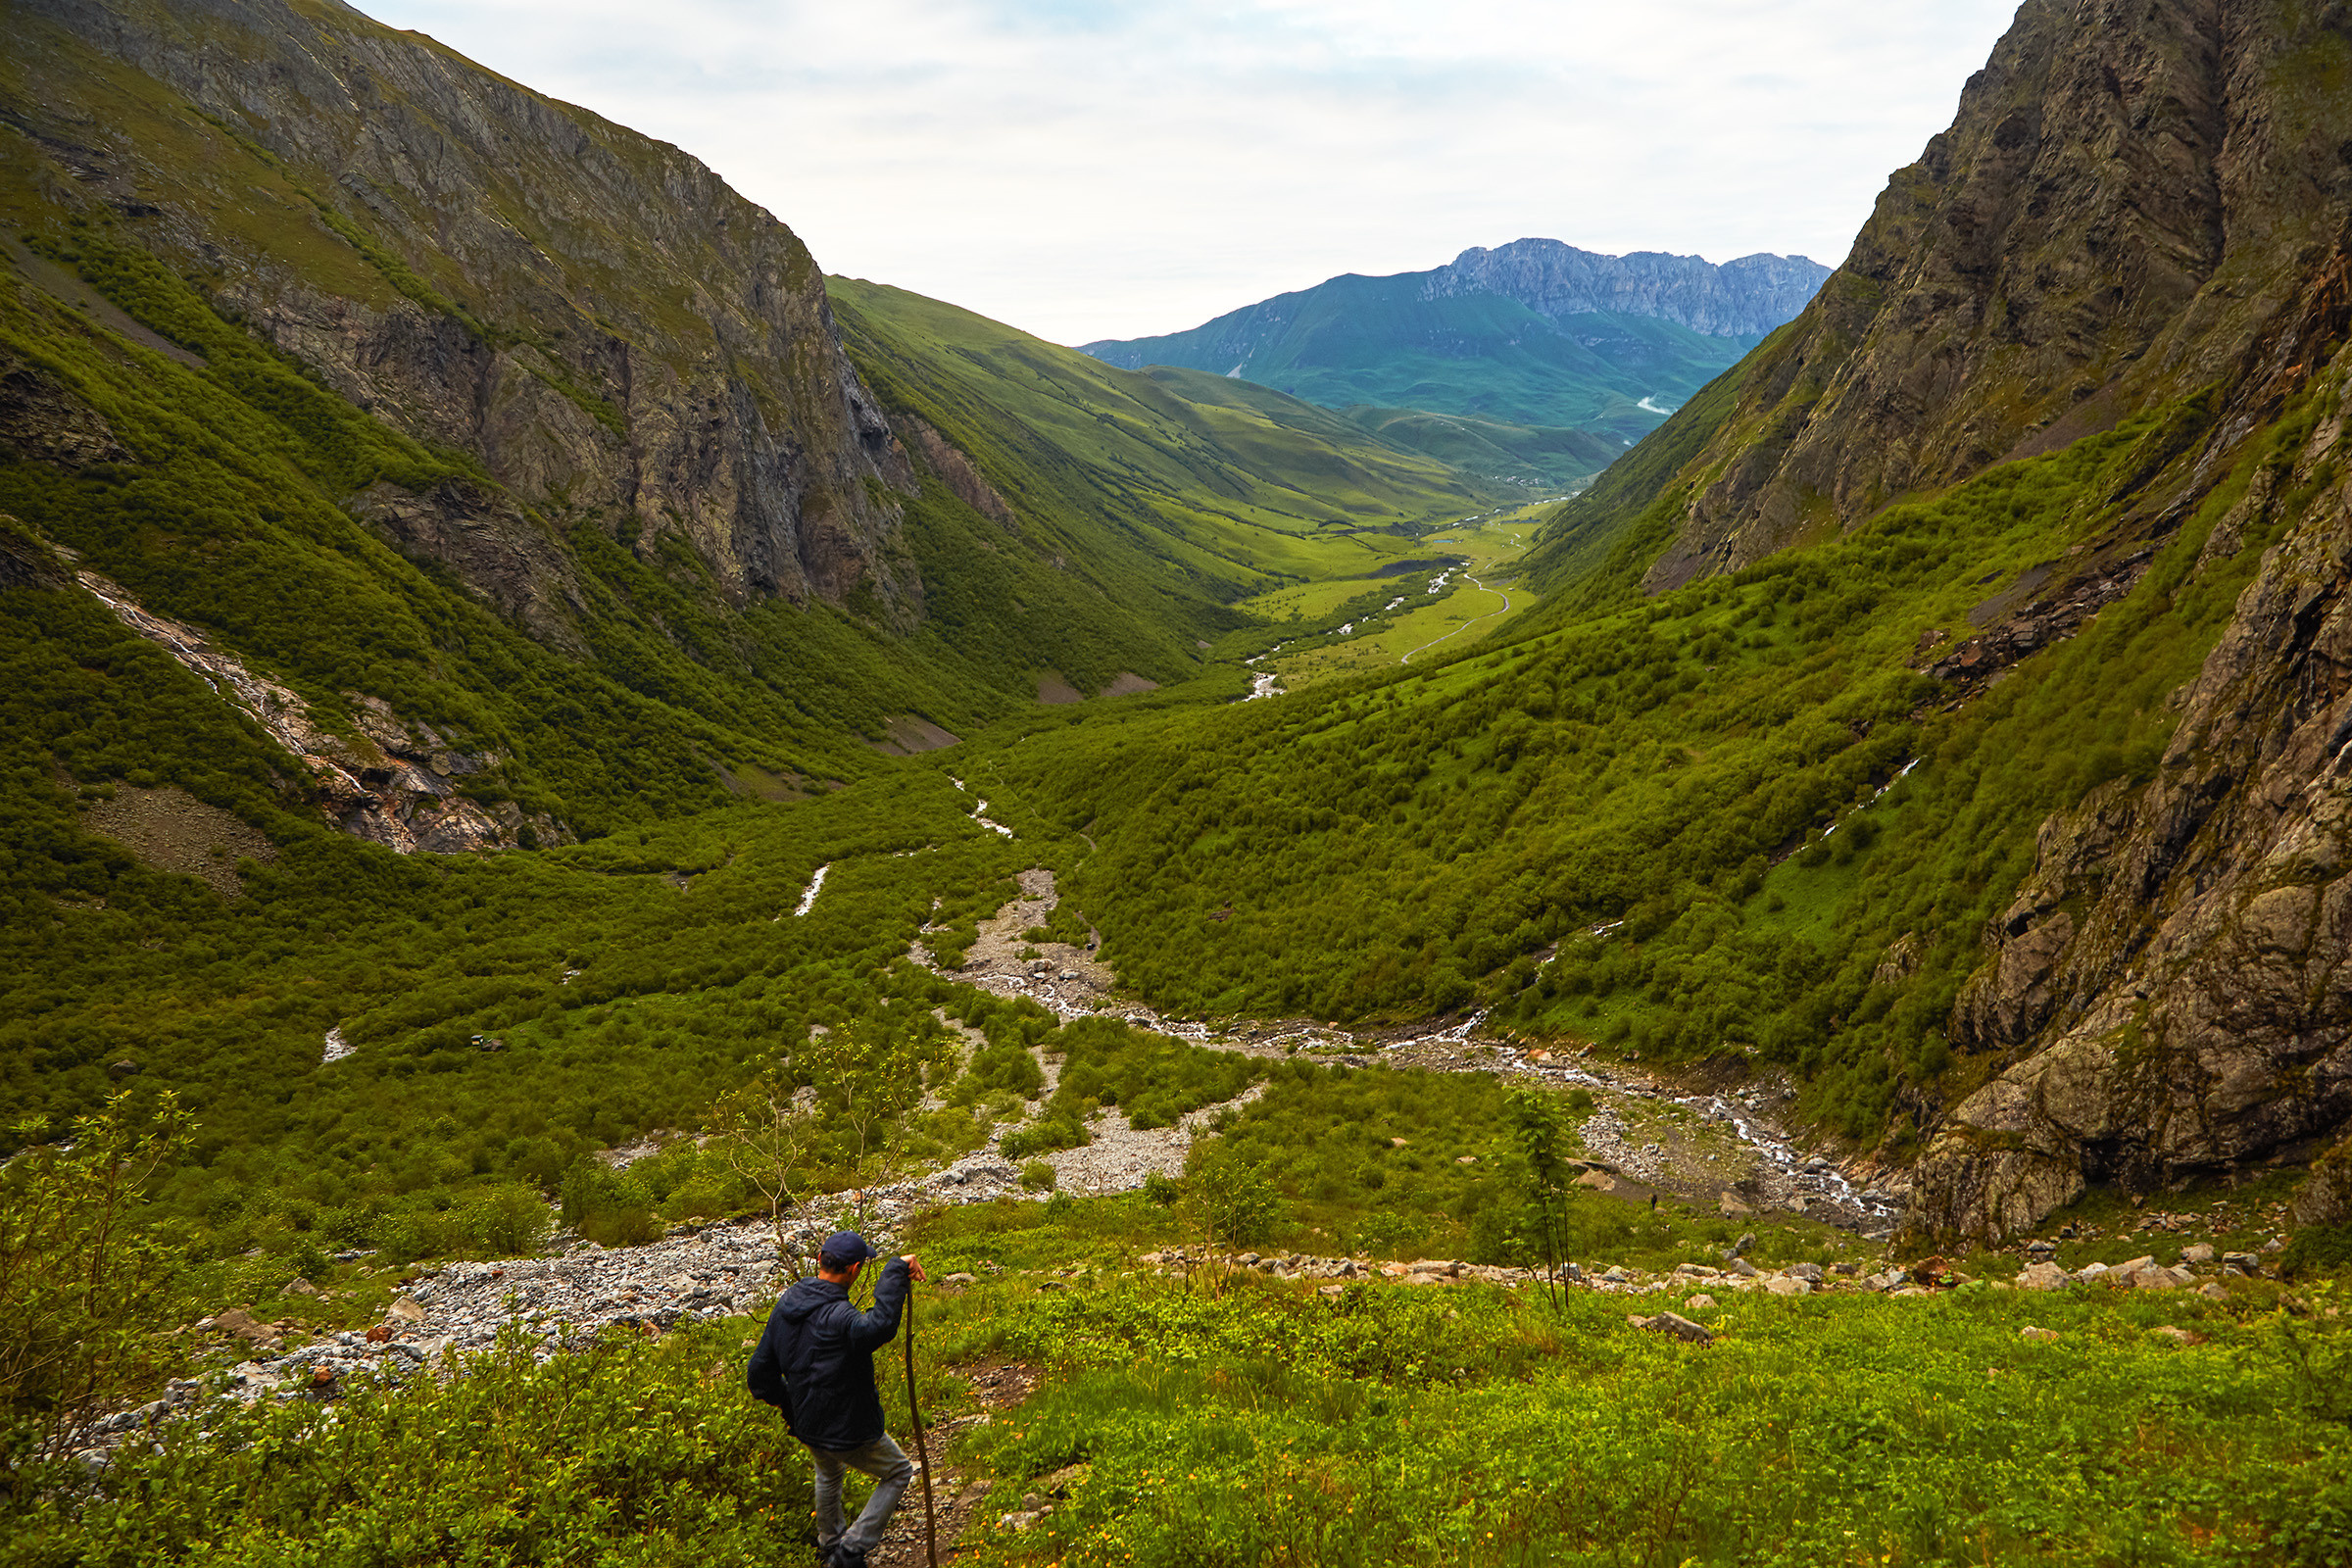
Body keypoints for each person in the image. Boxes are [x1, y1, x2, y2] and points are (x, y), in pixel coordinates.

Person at [748, 1231, 929, 1568]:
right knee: (899, 1472)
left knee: (828, 1471)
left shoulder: (787, 1304)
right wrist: (894, 1270)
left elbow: (758, 1375)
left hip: (807, 1423)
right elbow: (879, 1326)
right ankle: (850, 1552)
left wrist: (791, 1405)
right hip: (848, 1427)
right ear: (855, 1270)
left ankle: (829, 1544)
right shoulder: (839, 1316)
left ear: (820, 1261)